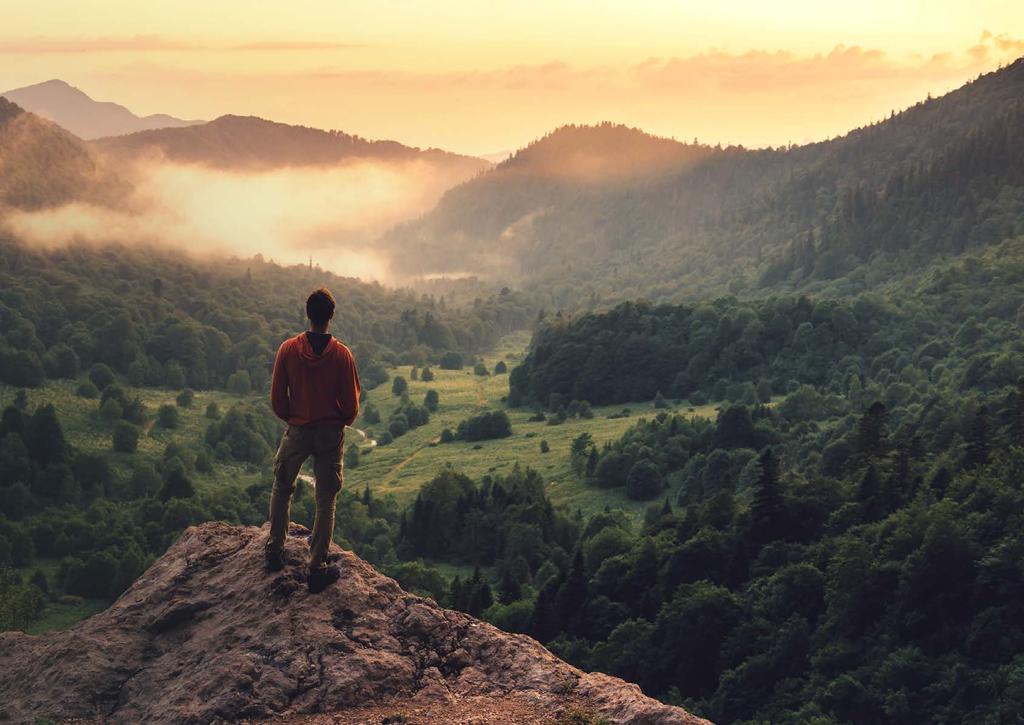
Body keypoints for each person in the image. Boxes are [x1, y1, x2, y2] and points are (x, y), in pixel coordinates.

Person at [265, 287, 361, 591]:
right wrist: (338, 420)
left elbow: (278, 398)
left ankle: (274, 551)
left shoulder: (288, 350)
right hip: (329, 433)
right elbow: (351, 406)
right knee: (326, 499)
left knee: (282, 488)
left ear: (308, 314)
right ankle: (317, 565)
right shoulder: (342, 355)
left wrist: (294, 418)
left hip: (297, 430)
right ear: (331, 316)